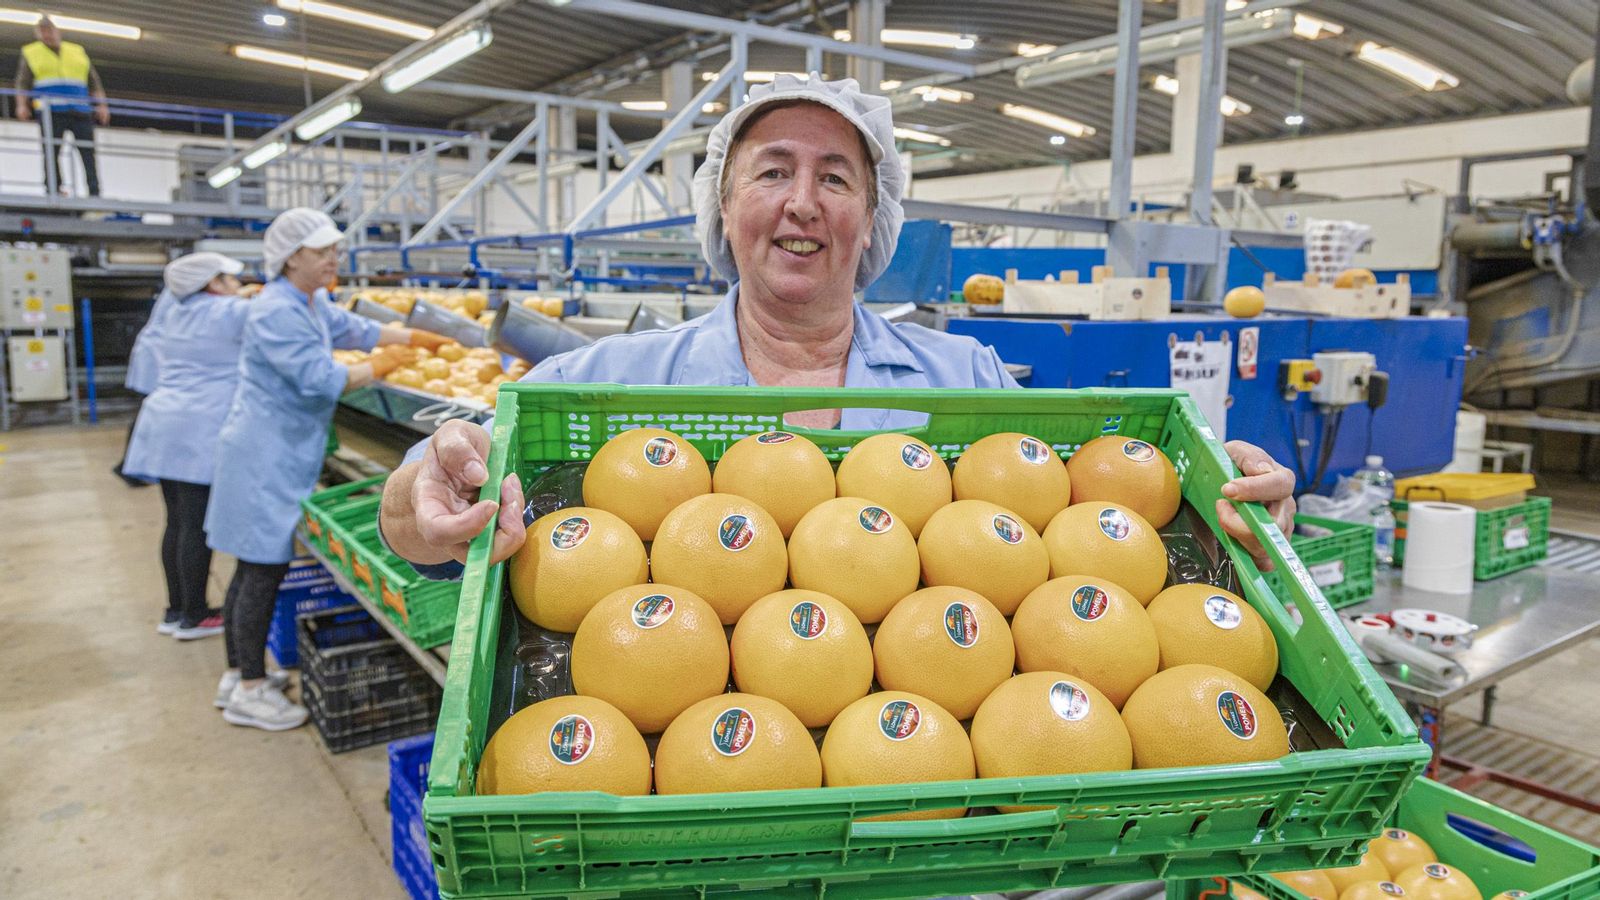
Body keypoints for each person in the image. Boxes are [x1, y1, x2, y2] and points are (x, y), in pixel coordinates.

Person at [378, 75, 1296, 578]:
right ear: (724, 205)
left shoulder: (963, 381)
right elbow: (431, 507)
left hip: (922, 824)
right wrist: (422, 504)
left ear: (873, 219)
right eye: (772, 173)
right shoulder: (609, 384)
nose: (802, 204)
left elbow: (1098, 525)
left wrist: (1227, 515)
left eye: (836, 178)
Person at [204, 207, 449, 731]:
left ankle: (236, 674)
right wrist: (382, 366)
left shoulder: (309, 301)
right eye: (323, 251)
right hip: (262, 456)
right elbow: (321, 381)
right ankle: (249, 688)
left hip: (282, 450)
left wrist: (408, 339)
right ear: (293, 258)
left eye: (335, 249)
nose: (334, 258)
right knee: (261, 570)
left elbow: (354, 327)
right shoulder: (274, 310)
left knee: (252, 568)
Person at [123, 253, 247, 640]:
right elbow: (279, 312)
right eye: (231, 279)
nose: (237, 285)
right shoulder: (225, 312)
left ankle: (175, 609)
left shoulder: (176, 310)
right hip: (196, 429)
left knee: (176, 522)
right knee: (195, 526)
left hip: (163, 423)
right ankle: (196, 616)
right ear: (214, 285)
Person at [15, 15, 108, 196]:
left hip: (80, 110)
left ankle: (94, 191)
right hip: (51, 112)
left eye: (49, 30)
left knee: (87, 152)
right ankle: (53, 188)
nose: (47, 35)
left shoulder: (77, 51)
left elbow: (94, 81)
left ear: (58, 31)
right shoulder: (31, 52)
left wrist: (102, 105)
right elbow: (22, 82)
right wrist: (21, 105)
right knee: (51, 150)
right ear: (37, 34)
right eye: (42, 32)